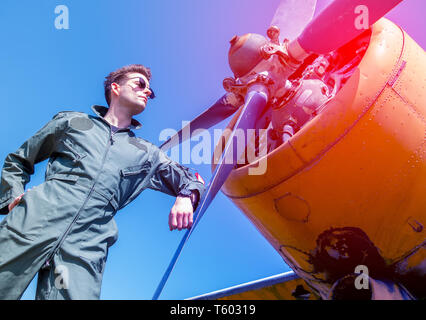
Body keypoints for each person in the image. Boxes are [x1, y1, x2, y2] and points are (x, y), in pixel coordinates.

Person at [0, 64, 205, 300]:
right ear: (115, 88)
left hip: (86, 247)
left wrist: (186, 196)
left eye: (151, 90)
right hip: (31, 222)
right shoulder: (72, 122)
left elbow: (191, 179)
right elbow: (19, 160)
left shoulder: (147, 154)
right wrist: (13, 198)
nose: (147, 91)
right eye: (140, 84)